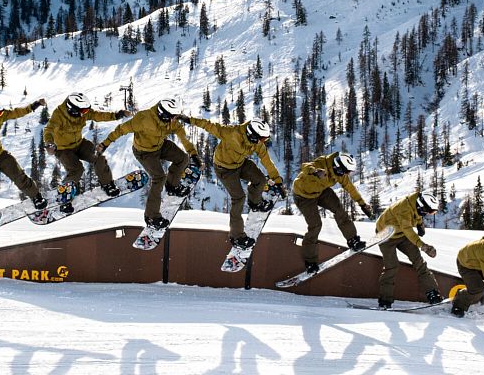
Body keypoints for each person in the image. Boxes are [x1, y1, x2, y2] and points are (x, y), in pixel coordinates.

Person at [96, 98, 200, 228]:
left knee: (183, 158)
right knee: (159, 177)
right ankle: (151, 216)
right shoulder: (143, 119)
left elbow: (183, 137)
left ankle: (172, 186)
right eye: (172, 117)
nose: (174, 120)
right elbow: (120, 130)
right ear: (164, 114)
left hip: (160, 145)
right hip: (144, 152)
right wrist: (104, 144)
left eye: (175, 117)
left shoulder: (170, 121)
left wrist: (193, 153)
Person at [182, 117, 283, 247]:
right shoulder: (231, 133)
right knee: (239, 198)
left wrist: (278, 181)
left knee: (260, 180)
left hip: (240, 164)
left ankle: (255, 203)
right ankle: (236, 236)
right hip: (224, 169)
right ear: (253, 135)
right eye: (263, 139)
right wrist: (188, 120)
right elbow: (208, 125)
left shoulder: (256, 143)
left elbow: (267, 161)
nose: (263, 142)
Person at [42, 92, 131, 204]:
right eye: (83, 111)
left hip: (80, 144)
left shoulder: (82, 113)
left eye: (86, 111)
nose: (85, 113)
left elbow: (98, 115)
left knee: (98, 157)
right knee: (77, 169)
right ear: (73, 109)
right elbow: (49, 129)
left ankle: (108, 184)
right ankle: (64, 194)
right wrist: (49, 143)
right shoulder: (59, 115)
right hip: (64, 149)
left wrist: (117, 115)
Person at [291, 152, 372, 273]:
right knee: (315, 225)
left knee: (340, 211)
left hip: (322, 191)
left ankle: (353, 240)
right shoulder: (322, 163)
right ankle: (310, 262)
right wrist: (315, 171)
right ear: (337, 166)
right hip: (304, 196)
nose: (345, 175)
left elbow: (350, 188)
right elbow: (305, 166)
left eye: (347, 172)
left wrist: (362, 204)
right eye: (344, 172)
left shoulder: (340, 173)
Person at [374, 192, 443, 308]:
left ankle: (433, 293)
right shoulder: (403, 209)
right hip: (385, 235)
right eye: (428, 211)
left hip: (402, 234)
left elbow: (417, 215)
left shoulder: (417, 204)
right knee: (392, 266)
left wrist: (420, 224)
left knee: (419, 263)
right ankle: (385, 300)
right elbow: (408, 231)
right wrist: (423, 246)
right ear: (422, 205)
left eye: (431, 212)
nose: (428, 214)